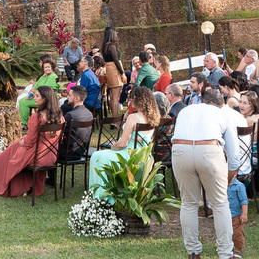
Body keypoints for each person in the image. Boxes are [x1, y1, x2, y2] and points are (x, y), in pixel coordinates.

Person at [172, 86, 239, 259]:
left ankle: (193, 252)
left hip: (180, 149)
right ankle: (225, 253)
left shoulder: (186, 110)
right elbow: (233, 152)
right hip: (209, 151)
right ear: (216, 103)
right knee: (220, 203)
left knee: (188, 203)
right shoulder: (222, 114)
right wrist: (231, 174)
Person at [0, 86, 64, 198]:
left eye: (37, 95)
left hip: (37, 156)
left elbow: (29, 142)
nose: (34, 97)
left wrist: (22, 142)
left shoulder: (37, 117)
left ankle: (7, 182)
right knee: (15, 146)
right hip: (51, 156)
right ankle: (29, 186)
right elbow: (61, 138)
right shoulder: (60, 117)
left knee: (7, 155)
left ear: (45, 99)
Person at [90, 87, 159, 198]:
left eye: (132, 98)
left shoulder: (134, 117)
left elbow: (122, 144)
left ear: (139, 100)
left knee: (97, 155)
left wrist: (113, 147)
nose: (130, 101)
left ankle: (102, 197)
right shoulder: (153, 117)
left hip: (129, 155)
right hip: (144, 156)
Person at [48, 84, 94, 188]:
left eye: (69, 95)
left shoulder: (70, 115)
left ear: (76, 98)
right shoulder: (89, 114)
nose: (67, 97)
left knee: (48, 148)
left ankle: (51, 179)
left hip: (67, 153)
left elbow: (59, 134)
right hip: (82, 151)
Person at [18, 57, 62, 126]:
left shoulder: (53, 77)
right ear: (43, 69)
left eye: (48, 67)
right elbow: (34, 88)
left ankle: (25, 124)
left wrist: (35, 94)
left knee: (24, 103)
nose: (47, 69)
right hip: (38, 97)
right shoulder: (43, 76)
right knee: (21, 100)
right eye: (45, 67)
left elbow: (46, 91)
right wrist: (30, 95)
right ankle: (26, 121)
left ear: (52, 67)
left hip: (46, 99)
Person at [101, 38, 125, 115]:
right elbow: (116, 60)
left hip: (109, 69)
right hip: (114, 70)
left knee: (112, 95)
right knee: (115, 96)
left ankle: (113, 117)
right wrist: (122, 73)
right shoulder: (111, 46)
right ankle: (115, 119)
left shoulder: (104, 46)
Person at [228, 173, 248, 259]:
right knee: (226, 233)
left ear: (235, 173)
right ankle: (228, 247)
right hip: (225, 215)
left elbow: (244, 201)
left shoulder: (239, 186)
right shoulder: (222, 185)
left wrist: (244, 214)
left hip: (236, 215)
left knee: (237, 233)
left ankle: (238, 249)